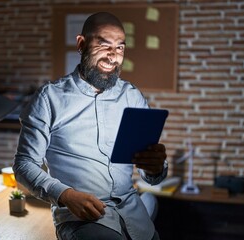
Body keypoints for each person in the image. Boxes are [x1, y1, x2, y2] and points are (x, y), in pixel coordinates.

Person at [13, 12, 168, 240]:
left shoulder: (132, 97)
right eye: (103, 45)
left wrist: (155, 168)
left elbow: (150, 175)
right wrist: (65, 195)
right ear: (81, 44)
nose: (113, 56)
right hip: (81, 219)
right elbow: (24, 164)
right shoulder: (48, 99)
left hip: (134, 216)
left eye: (120, 48)